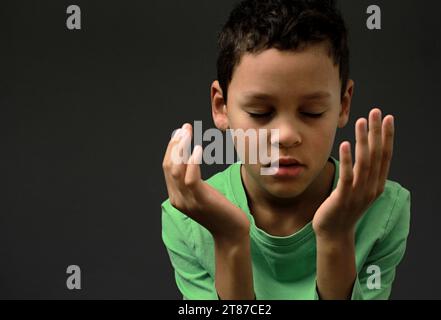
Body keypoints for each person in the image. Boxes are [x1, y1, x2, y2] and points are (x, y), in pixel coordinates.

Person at [161, 0, 411, 300]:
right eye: (260, 112)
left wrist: (336, 237)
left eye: (312, 112)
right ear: (221, 106)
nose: (287, 136)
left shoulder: (383, 210)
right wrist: (229, 238)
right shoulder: (189, 217)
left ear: (343, 104)